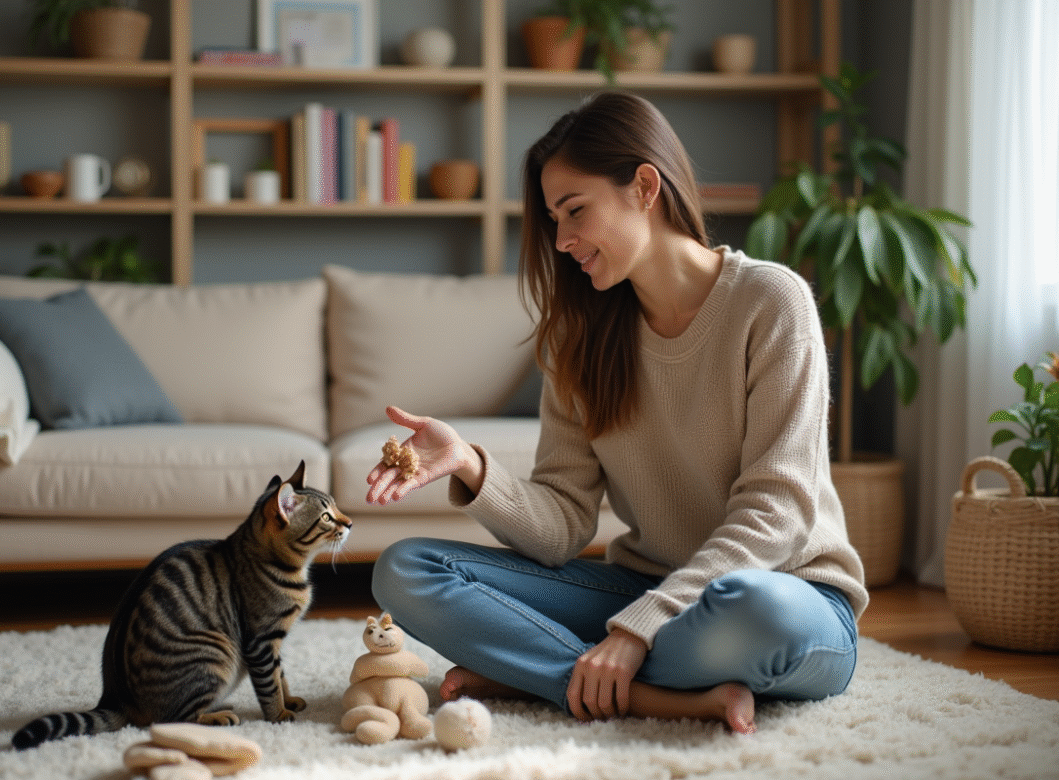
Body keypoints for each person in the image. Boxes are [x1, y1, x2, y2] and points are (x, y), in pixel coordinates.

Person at [365, 91, 868, 735]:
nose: (563, 239)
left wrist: (636, 632)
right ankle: (650, 695)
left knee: (751, 612)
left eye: (575, 210)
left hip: (787, 594)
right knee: (405, 569)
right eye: (553, 219)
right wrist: (471, 466)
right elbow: (563, 527)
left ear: (645, 187)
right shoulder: (580, 338)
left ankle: (541, 672)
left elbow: (778, 513)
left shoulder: (771, 302)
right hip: (640, 589)